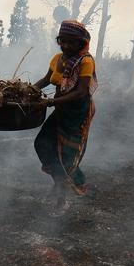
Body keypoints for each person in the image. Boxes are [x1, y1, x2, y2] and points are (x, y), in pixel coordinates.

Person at [33, 19, 98, 207]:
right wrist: (25, 90)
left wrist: (51, 102)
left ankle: (62, 194)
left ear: (81, 43)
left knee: (67, 154)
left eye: (72, 42)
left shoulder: (85, 61)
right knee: (42, 144)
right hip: (61, 108)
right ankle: (59, 183)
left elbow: (80, 92)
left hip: (78, 111)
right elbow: (46, 79)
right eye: (63, 41)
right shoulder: (56, 59)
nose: (67, 46)